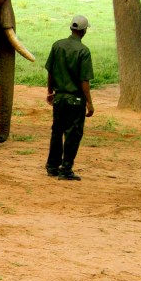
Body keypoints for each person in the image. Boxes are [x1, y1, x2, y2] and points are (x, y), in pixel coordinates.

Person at [45, 15, 95, 180]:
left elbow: (50, 72)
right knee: (73, 135)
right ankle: (66, 169)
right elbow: (84, 81)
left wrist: (50, 91)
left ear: (71, 29)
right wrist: (89, 103)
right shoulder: (83, 51)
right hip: (75, 100)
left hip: (59, 99)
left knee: (56, 132)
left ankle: (52, 166)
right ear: (84, 31)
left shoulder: (57, 45)